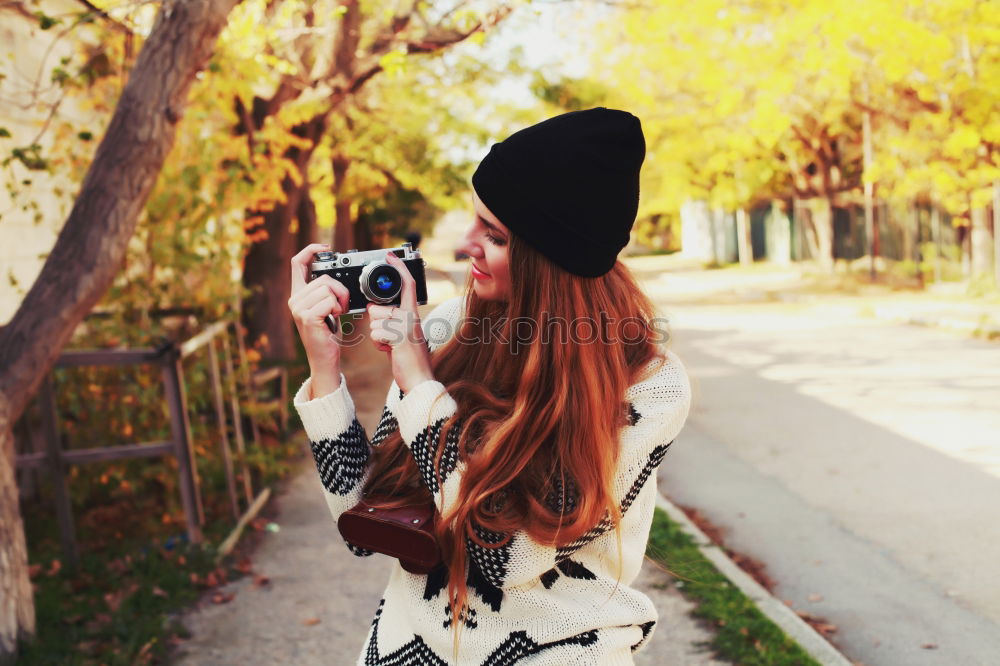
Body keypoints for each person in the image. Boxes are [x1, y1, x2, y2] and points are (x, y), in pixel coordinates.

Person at [287, 108, 692, 665]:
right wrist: (324, 369)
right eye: (473, 219)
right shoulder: (447, 328)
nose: (463, 243)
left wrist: (417, 379)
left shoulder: (648, 383)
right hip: (403, 649)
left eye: (494, 235)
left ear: (548, 262)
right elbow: (364, 521)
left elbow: (509, 559)